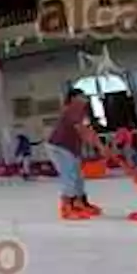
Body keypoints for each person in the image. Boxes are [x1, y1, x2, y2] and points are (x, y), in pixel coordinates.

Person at [47, 88, 102, 219]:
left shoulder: (81, 112)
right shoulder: (72, 110)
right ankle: (67, 207)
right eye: (80, 97)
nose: (84, 99)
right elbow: (82, 130)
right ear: (73, 99)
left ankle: (80, 202)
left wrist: (99, 145)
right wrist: (99, 146)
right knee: (69, 175)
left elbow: (88, 130)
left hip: (71, 148)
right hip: (59, 147)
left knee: (78, 176)